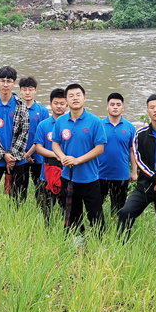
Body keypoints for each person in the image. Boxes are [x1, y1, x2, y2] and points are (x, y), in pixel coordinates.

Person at [117, 95, 156, 243]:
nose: (155, 110)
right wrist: (155, 179)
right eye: (152, 108)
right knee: (126, 212)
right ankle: (121, 245)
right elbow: (138, 159)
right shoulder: (140, 134)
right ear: (148, 112)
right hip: (146, 185)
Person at [52, 84, 107, 237]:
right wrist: (62, 157)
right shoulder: (61, 121)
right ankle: (77, 243)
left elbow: (100, 148)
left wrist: (77, 160)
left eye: (78, 95)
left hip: (89, 178)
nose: (75, 98)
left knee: (95, 215)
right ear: (66, 100)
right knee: (72, 215)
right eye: (71, 95)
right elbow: (55, 143)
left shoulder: (95, 121)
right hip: (67, 177)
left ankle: (99, 244)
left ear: (84, 98)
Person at [0, 66, 30, 200]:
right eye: (2, 80)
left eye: (9, 81)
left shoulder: (21, 106)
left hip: (17, 159)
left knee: (18, 199)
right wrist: (4, 155)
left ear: (14, 83)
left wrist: (11, 156)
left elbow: (23, 133)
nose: (5, 84)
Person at [97, 93, 137, 216]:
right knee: (96, 206)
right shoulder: (99, 125)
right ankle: (98, 226)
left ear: (122, 108)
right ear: (107, 107)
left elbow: (133, 151)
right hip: (100, 173)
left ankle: (117, 226)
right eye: (112, 104)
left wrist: (134, 171)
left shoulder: (129, 127)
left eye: (118, 105)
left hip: (121, 174)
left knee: (119, 209)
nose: (115, 107)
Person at [33, 88, 68, 219]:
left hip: (66, 173)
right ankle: (45, 229)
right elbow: (39, 148)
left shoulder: (71, 124)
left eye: (62, 103)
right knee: (45, 211)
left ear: (67, 104)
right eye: (56, 103)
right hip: (46, 174)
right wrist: (57, 155)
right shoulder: (43, 125)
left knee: (68, 211)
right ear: (50, 104)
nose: (59, 106)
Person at [20, 77, 50, 208]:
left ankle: (42, 212)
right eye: (24, 89)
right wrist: (23, 154)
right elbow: (12, 134)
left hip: (38, 156)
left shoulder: (42, 111)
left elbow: (42, 136)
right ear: (20, 91)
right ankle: (19, 212)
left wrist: (29, 154)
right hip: (19, 155)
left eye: (30, 89)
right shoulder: (15, 109)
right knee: (20, 188)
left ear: (35, 91)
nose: (27, 92)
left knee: (40, 188)